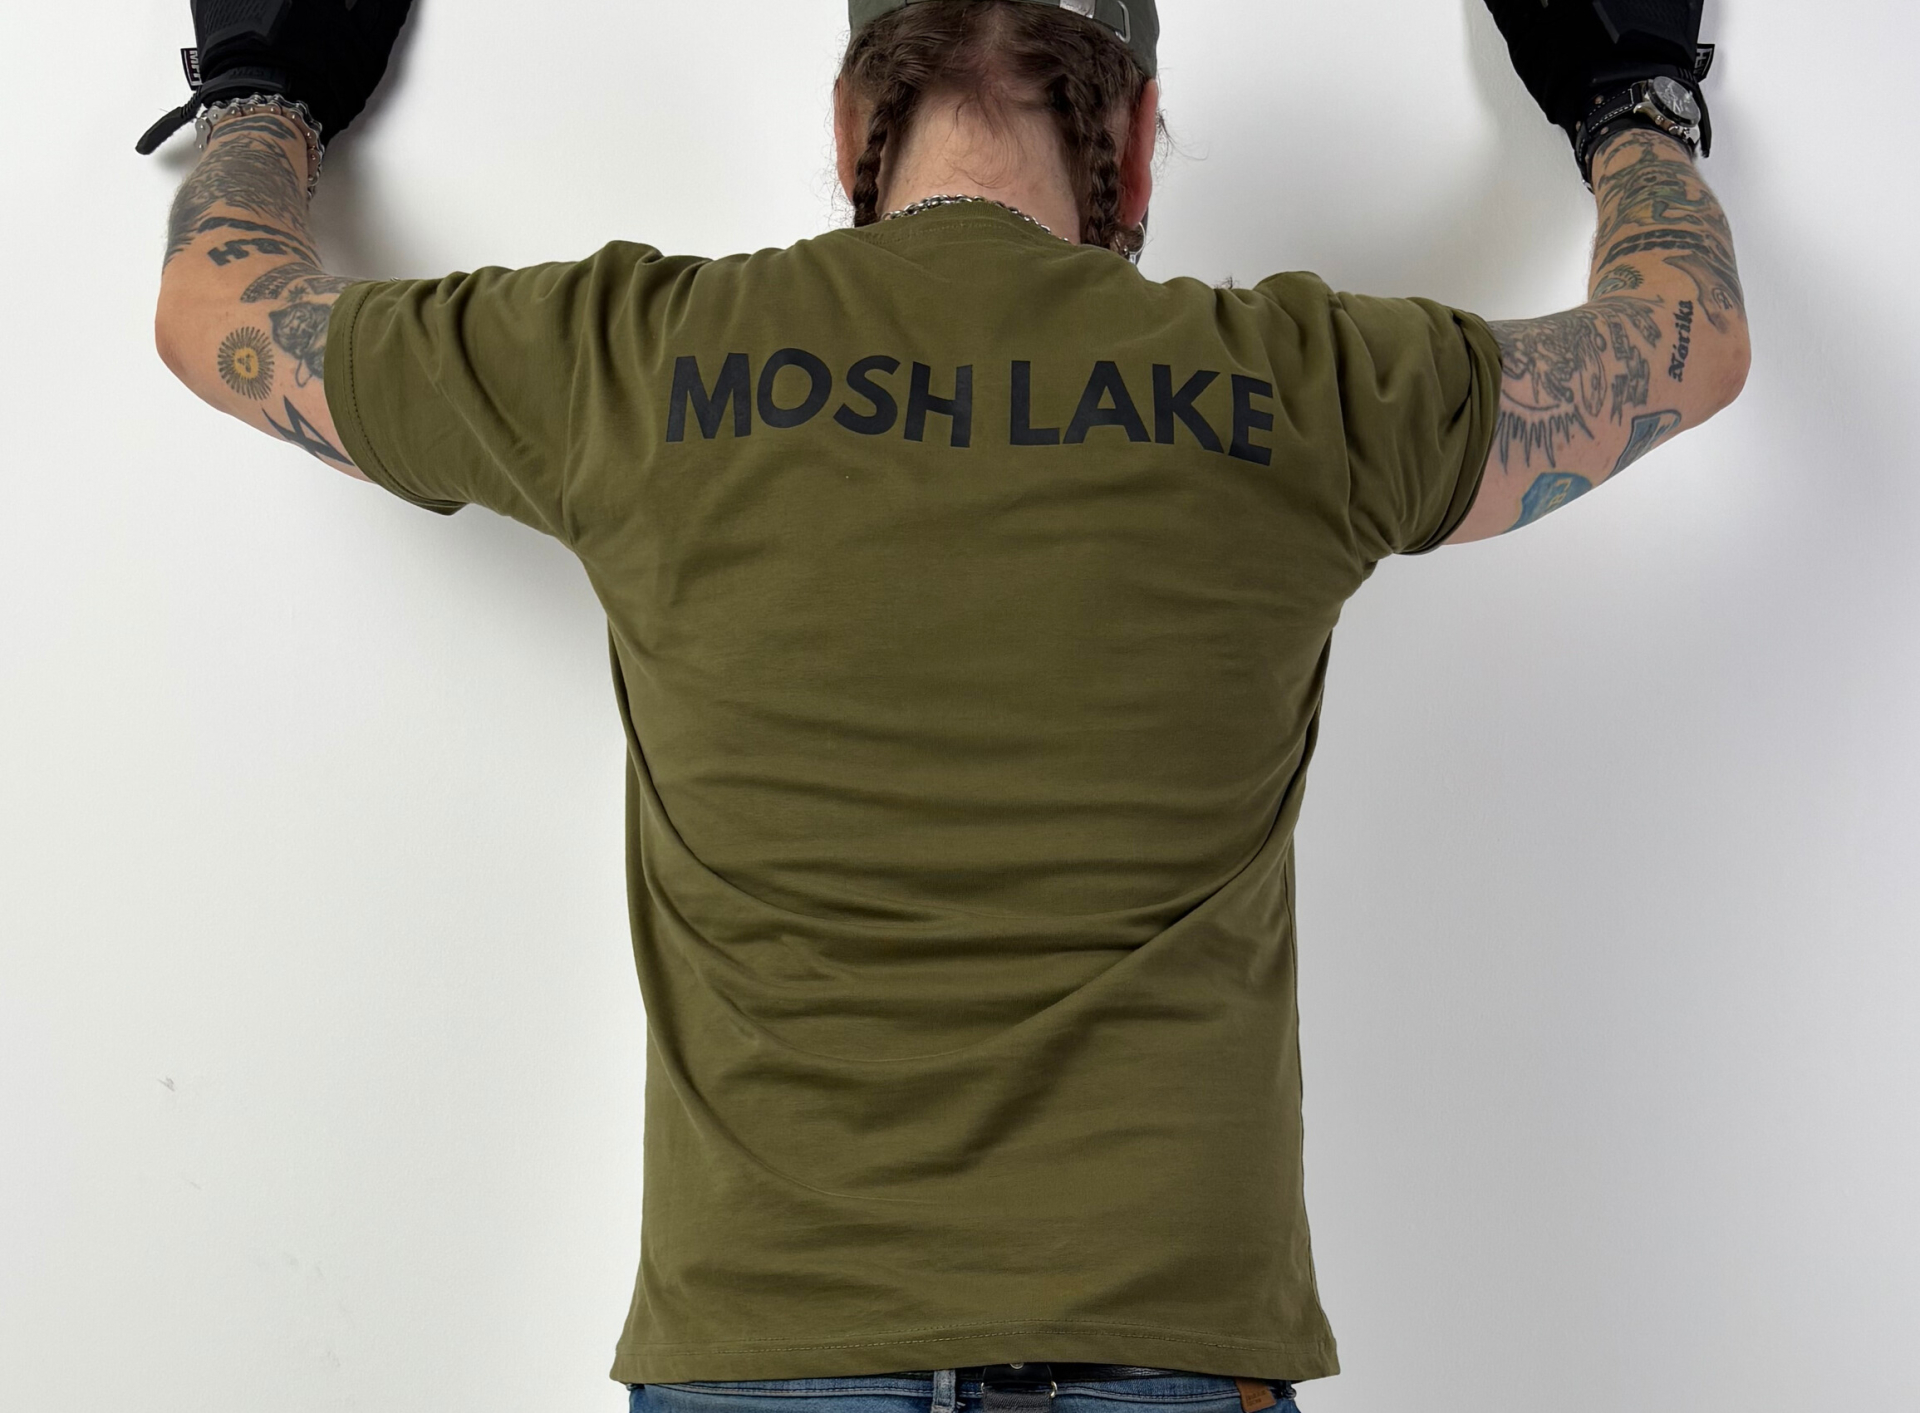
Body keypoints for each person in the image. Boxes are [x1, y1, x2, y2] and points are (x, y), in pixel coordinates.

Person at [144, 0, 1750, 1409]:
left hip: (764, 1345)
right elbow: (1679, 347)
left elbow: (223, 316)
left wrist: (265, 92)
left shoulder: (632, 364)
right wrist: (1632, 107)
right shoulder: (1299, 387)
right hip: (1161, 1342)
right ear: (1135, 136)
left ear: (856, 120)